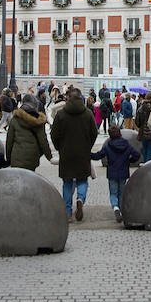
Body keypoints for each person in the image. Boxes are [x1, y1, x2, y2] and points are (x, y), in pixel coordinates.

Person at [51, 88, 97, 221]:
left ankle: (68, 212)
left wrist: (59, 147)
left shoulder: (61, 114)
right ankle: (80, 199)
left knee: (67, 182)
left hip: (66, 152)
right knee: (82, 179)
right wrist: (88, 146)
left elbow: (54, 134)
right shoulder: (88, 113)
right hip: (83, 152)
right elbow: (94, 133)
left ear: (68, 98)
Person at [91, 126, 141, 222]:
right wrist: (130, 161)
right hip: (123, 173)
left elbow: (98, 156)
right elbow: (137, 155)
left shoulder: (108, 146)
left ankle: (115, 208)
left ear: (110, 136)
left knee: (113, 193)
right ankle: (121, 210)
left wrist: (88, 154)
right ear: (120, 134)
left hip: (112, 173)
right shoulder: (127, 145)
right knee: (121, 192)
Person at [5, 93, 54, 170]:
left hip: (16, 157)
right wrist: (49, 157)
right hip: (32, 157)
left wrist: (8, 158)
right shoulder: (38, 120)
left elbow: (9, 140)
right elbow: (43, 141)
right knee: (29, 179)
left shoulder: (15, 119)